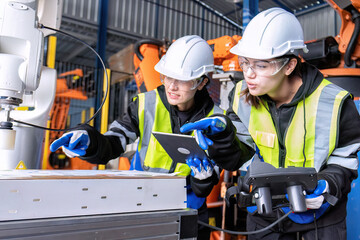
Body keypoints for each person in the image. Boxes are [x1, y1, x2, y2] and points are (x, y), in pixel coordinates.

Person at [180, 8, 360, 240]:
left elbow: (345, 160)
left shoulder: (334, 102)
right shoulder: (241, 97)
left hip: (321, 220)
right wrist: (223, 137)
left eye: (261, 65)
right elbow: (240, 157)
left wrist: (326, 185)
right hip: (264, 215)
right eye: (245, 63)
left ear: (289, 66)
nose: (249, 74)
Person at [50, 35, 222, 240]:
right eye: (167, 76)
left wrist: (203, 179)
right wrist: (89, 141)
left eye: (182, 79)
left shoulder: (217, 120)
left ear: (201, 82)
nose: (172, 86)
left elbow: (209, 180)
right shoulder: (146, 104)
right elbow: (113, 143)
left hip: (189, 213)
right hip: (143, 203)